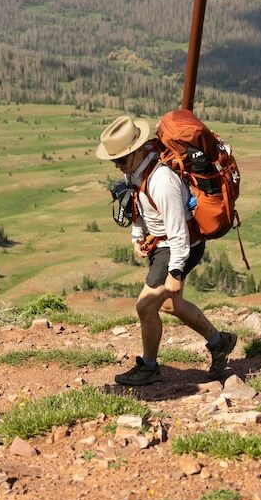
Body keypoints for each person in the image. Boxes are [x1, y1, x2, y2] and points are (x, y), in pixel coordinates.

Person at [95, 115, 237, 386]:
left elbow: (178, 231)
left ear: (137, 150)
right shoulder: (138, 167)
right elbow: (138, 200)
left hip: (176, 247)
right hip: (164, 244)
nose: (117, 165)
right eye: (114, 160)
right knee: (172, 304)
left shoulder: (162, 180)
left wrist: (175, 270)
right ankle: (220, 342)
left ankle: (149, 367)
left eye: (121, 160)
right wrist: (137, 234)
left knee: (145, 307)